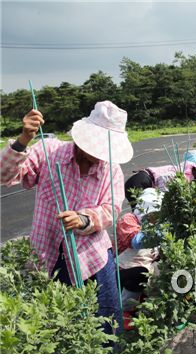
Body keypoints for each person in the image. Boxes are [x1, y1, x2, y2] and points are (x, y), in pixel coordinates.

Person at [0, 101, 133, 334]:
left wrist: (84, 219)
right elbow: (4, 175)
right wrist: (23, 141)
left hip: (92, 259)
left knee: (105, 326)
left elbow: (110, 210)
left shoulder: (110, 170)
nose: (98, 155)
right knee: (58, 328)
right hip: (48, 256)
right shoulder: (49, 152)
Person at [116, 188, 162, 330]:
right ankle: (124, 311)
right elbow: (136, 242)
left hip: (145, 265)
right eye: (152, 214)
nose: (154, 218)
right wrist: (160, 231)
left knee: (162, 271)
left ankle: (144, 302)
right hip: (123, 270)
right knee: (140, 274)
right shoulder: (128, 220)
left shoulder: (156, 224)